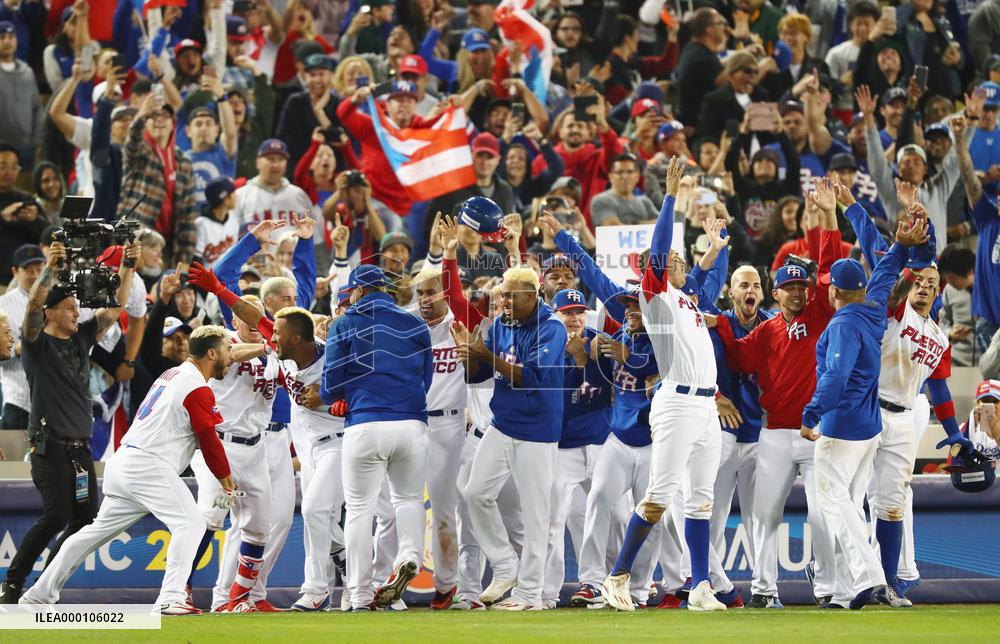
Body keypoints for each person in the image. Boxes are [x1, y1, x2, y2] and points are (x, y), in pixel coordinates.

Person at [18, 325, 236, 615]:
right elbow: (209, 443)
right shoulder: (196, 386)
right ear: (211, 353)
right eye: (228, 349)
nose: (232, 356)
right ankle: (171, 597)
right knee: (191, 523)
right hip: (148, 464)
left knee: (92, 534)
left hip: (126, 462)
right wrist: (228, 483)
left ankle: (38, 595)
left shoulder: (174, 375)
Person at [711, 179, 846, 609]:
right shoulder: (765, 332)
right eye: (789, 287)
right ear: (776, 292)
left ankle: (825, 588)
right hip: (772, 434)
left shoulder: (820, 310)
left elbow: (830, 263)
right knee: (763, 516)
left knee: (822, 515)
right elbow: (735, 356)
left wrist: (829, 216)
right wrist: (716, 324)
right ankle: (765, 590)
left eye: (801, 286)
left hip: (814, 432)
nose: (796, 292)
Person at [602, 157, 725, 613]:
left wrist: (713, 248)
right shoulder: (654, 295)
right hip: (676, 403)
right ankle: (618, 577)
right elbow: (658, 254)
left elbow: (695, 277)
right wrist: (670, 197)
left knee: (701, 502)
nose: (678, 261)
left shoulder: (684, 297)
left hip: (706, 406)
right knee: (658, 498)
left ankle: (700, 587)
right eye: (674, 259)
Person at [799, 207, 930, 610]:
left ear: (834, 292)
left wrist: (811, 414)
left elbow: (835, 376)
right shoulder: (873, 311)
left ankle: (868, 576)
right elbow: (885, 277)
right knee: (848, 504)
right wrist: (900, 249)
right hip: (870, 427)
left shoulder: (842, 324)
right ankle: (841, 589)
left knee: (834, 502)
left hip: (842, 426)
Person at [0, 240, 138, 604]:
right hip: (50, 446)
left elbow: (115, 309)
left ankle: (43, 583)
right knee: (55, 514)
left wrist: (129, 266)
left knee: (85, 519)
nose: (77, 314)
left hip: (80, 450)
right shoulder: (35, 345)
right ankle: (12, 584)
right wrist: (50, 269)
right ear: (49, 313)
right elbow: (30, 306)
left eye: (77, 308)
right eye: (69, 308)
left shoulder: (81, 340)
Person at [452, 265, 567, 610]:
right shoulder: (501, 324)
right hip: (503, 424)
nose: (502, 301)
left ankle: (530, 594)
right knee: (475, 493)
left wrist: (486, 354)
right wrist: (469, 356)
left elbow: (532, 376)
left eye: (510, 295)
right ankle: (505, 563)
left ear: (531, 296)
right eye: (501, 294)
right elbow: (481, 374)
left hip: (537, 430)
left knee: (536, 515)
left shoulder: (552, 327)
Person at [321, 264, 432, 611]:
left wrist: (344, 396)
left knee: (358, 511)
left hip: (366, 423)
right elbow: (426, 378)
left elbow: (328, 387)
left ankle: (359, 592)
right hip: (412, 423)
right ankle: (408, 556)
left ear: (356, 291)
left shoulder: (344, 323)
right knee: (409, 500)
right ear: (385, 289)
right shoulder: (415, 323)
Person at [186, 293, 279, 613]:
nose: (255, 321)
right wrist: (267, 346)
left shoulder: (276, 353)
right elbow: (233, 353)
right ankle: (181, 586)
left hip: (254, 452)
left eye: (259, 315)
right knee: (211, 517)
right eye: (247, 315)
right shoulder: (223, 340)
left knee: (259, 526)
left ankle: (236, 599)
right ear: (235, 320)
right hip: (220, 449)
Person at [541, 288, 613, 610]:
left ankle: (618, 585)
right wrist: (579, 363)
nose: (574, 318)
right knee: (553, 521)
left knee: (618, 517)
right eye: (567, 312)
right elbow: (558, 399)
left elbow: (614, 386)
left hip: (601, 444)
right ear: (555, 315)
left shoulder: (601, 343)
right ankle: (545, 593)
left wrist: (587, 359)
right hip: (563, 449)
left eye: (579, 311)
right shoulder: (546, 346)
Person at [408, 264, 469, 610]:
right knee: (401, 505)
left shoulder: (460, 322)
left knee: (446, 508)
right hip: (413, 423)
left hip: (450, 424)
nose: (425, 300)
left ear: (445, 292)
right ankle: (387, 577)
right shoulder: (408, 325)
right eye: (420, 293)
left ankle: (446, 585)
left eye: (431, 291)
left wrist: (447, 255)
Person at [118, 94, 198, 265]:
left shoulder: (183, 161)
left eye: (165, 116)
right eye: (153, 117)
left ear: (173, 123)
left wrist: (184, 262)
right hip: (137, 242)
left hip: (167, 247)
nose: (159, 120)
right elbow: (132, 142)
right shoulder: (141, 152)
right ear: (146, 123)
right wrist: (141, 115)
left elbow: (188, 215)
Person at [955, 118, 1000, 355]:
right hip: (989, 321)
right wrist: (960, 140)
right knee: (993, 388)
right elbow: (968, 177)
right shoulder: (987, 216)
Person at [0, 244, 45, 430]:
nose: (34, 275)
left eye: (39, 269)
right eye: (28, 270)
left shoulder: (56, 300)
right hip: (18, 398)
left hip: (51, 400)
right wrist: (23, 346)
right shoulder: (3, 305)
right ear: (15, 271)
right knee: (15, 457)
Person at [231, 139, 313, 237]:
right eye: (270, 159)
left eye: (281, 159)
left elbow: (312, 234)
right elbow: (231, 233)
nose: (276, 164)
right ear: (258, 162)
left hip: (293, 252)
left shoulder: (299, 195)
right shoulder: (241, 195)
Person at [675, 8, 727, 127]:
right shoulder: (701, 58)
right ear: (709, 30)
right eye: (720, 23)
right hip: (699, 128)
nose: (724, 27)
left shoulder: (693, 49)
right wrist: (763, 67)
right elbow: (733, 82)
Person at [0, 21, 44, 159]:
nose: (7, 41)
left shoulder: (27, 72)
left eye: (11, 36)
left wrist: (36, 141)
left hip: (26, 147)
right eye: (2, 37)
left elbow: (37, 107)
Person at [589, 154, 658, 226]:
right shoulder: (601, 200)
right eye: (619, 172)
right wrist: (645, 224)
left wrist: (634, 223)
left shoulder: (645, 202)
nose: (625, 176)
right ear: (611, 176)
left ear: (637, 176)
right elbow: (613, 228)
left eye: (630, 172)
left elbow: (664, 223)